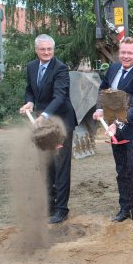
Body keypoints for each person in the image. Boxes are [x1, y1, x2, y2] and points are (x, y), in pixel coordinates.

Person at [19, 34, 77, 224]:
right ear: (36, 50)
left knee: (61, 166)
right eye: (42, 49)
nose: (46, 52)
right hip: (43, 122)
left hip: (61, 122)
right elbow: (30, 88)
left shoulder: (60, 68)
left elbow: (60, 97)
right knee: (46, 164)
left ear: (53, 49)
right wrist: (29, 102)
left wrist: (44, 116)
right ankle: (50, 206)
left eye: (49, 49)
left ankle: (61, 210)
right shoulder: (31, 67)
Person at [93, 37, 133, 227]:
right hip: (114, 128)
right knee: (121, 169)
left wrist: (117, 123)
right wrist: (100, 109)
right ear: (119, 52)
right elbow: (103, 90)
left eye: (130, 53)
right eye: (123, 52)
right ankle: (124, 208)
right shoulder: (113, 69)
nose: (125, 56)